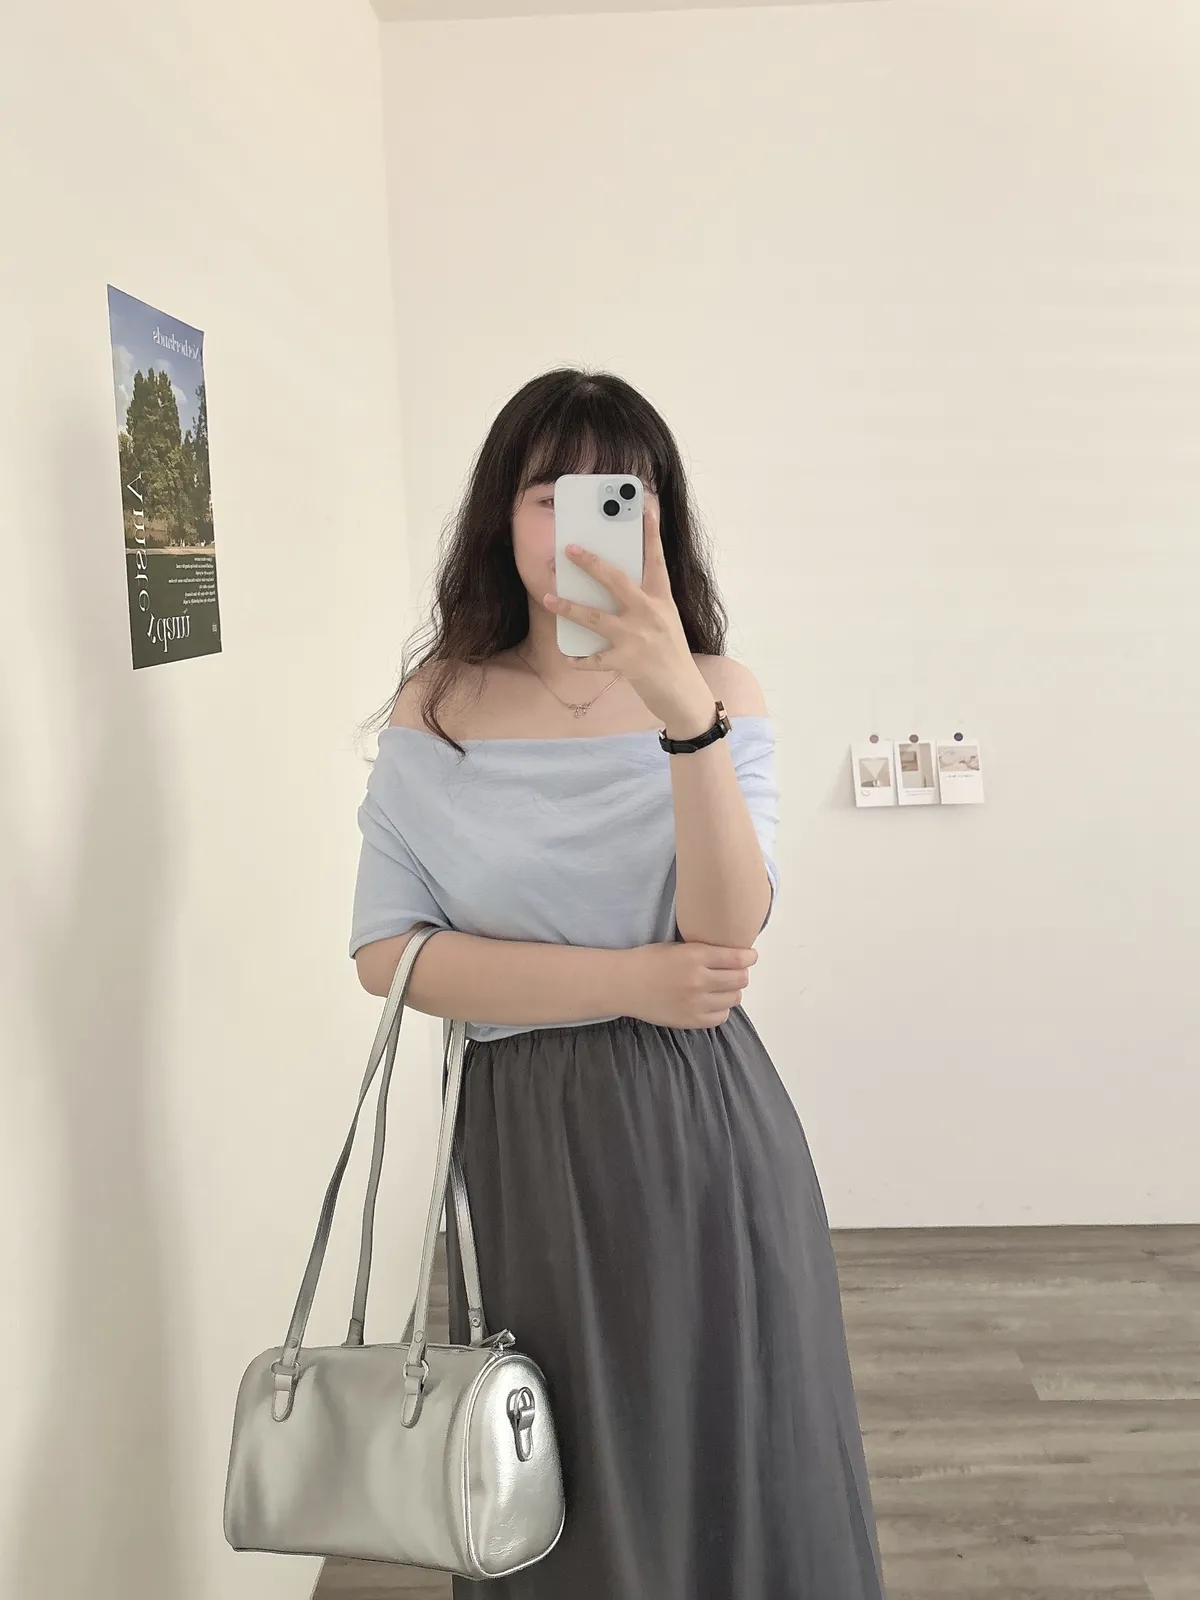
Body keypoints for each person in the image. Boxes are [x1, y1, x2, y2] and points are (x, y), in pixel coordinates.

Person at [349, 369, 887, 1600]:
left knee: (734, 1432)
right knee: (558, 1456)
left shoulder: (719, 689)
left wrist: (680, 708)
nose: (574, 525)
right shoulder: (439, 708)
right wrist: (631, 979)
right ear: (502, 514)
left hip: (703, 1120)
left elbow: (729, 926)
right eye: (547, 494)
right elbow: (389, 952)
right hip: (524, 1133)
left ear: (657, 520)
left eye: (614, 495)